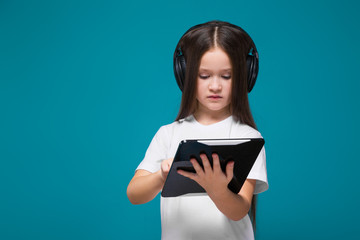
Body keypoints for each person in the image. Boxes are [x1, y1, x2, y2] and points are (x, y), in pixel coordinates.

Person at [127, 20, 268, 240]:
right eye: (204, 76)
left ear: (244, 77)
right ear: (185, 75)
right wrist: (160, 177)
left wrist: (217, 188)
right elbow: (134, 194)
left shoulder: (247, 138)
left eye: (226, 76)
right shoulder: (168, 133)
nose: (215, 86)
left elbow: (240, 209)